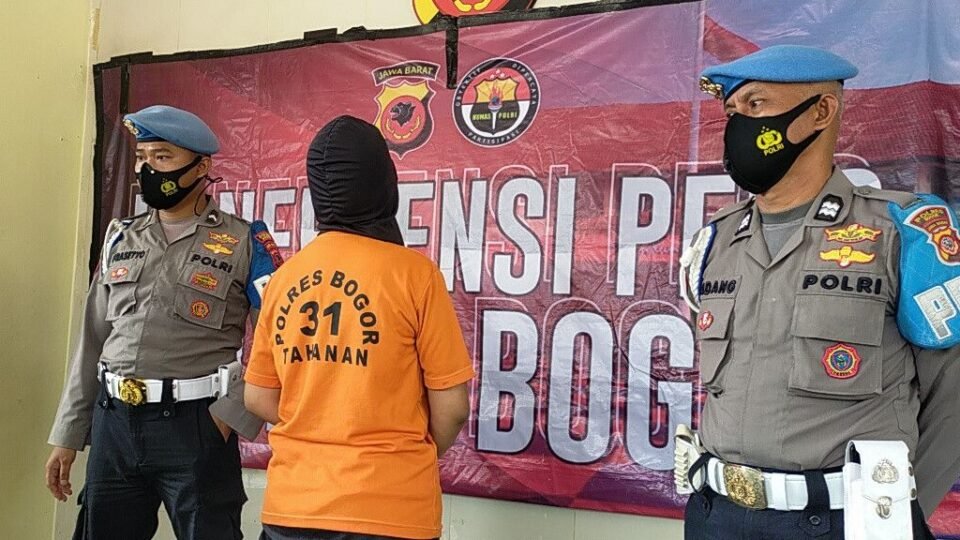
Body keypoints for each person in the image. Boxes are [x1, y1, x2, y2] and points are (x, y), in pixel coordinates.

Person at [675, 45, 960, 539]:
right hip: (717, 517)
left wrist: (897, 512)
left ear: (821, 112)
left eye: (756, 105)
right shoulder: (715, 242)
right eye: (732, 112)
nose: (739, 125)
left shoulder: (900, 232)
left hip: (844, 522)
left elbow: (952, 397)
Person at [45, 105, 283, 539]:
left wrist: (228, 417)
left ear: (201, 167)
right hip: (114, 423)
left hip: (196, 425)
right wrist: (68, 433)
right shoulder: (120, 236)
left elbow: (277, 341)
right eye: (142, 157)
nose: (147, 169)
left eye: (163, 157)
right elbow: (92, 340)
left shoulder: (245, 241)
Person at [244, 116, 474, 540]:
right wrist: (407, 453)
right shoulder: (415, 276)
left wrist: (321, 420)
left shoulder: (285, 278)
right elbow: (453, 407)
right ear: (383, 182)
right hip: (393, 506)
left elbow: (258, 396)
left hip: (295, 506)